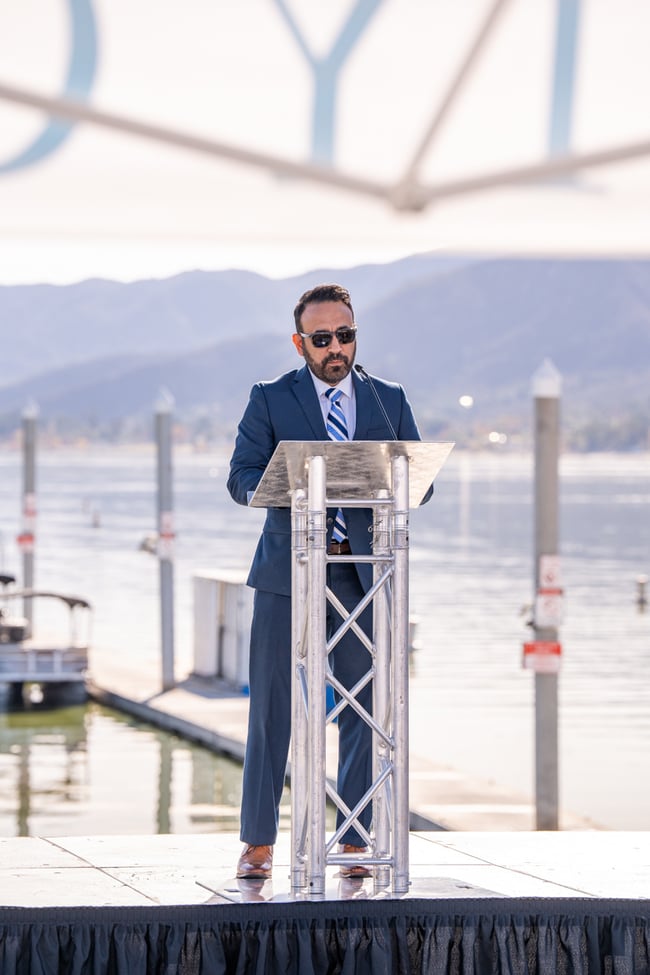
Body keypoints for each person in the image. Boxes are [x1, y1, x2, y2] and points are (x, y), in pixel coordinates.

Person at [227, 283, 429, 881]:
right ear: (300, 344)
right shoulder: (269, 398)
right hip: (286, 573)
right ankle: (258, 841)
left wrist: (392, 483)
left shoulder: (386, 398)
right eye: (323, 339)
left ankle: (353, 837)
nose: (336, 347)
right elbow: (240, 476)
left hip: (361, 576)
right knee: (271, 708)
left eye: (346, 334)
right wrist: (278, 488)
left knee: (362, 705)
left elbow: (419, 479)